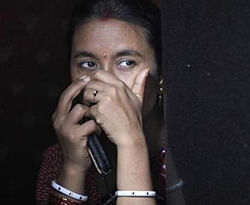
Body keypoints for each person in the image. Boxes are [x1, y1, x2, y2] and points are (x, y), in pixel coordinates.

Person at [36, 0, 181, 204]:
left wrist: (131, 143)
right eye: (88, 64)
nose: (105, 82)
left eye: (126, 63)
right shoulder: (62, 156)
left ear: (162, 72)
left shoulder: (193, 151)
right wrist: (73, 167)